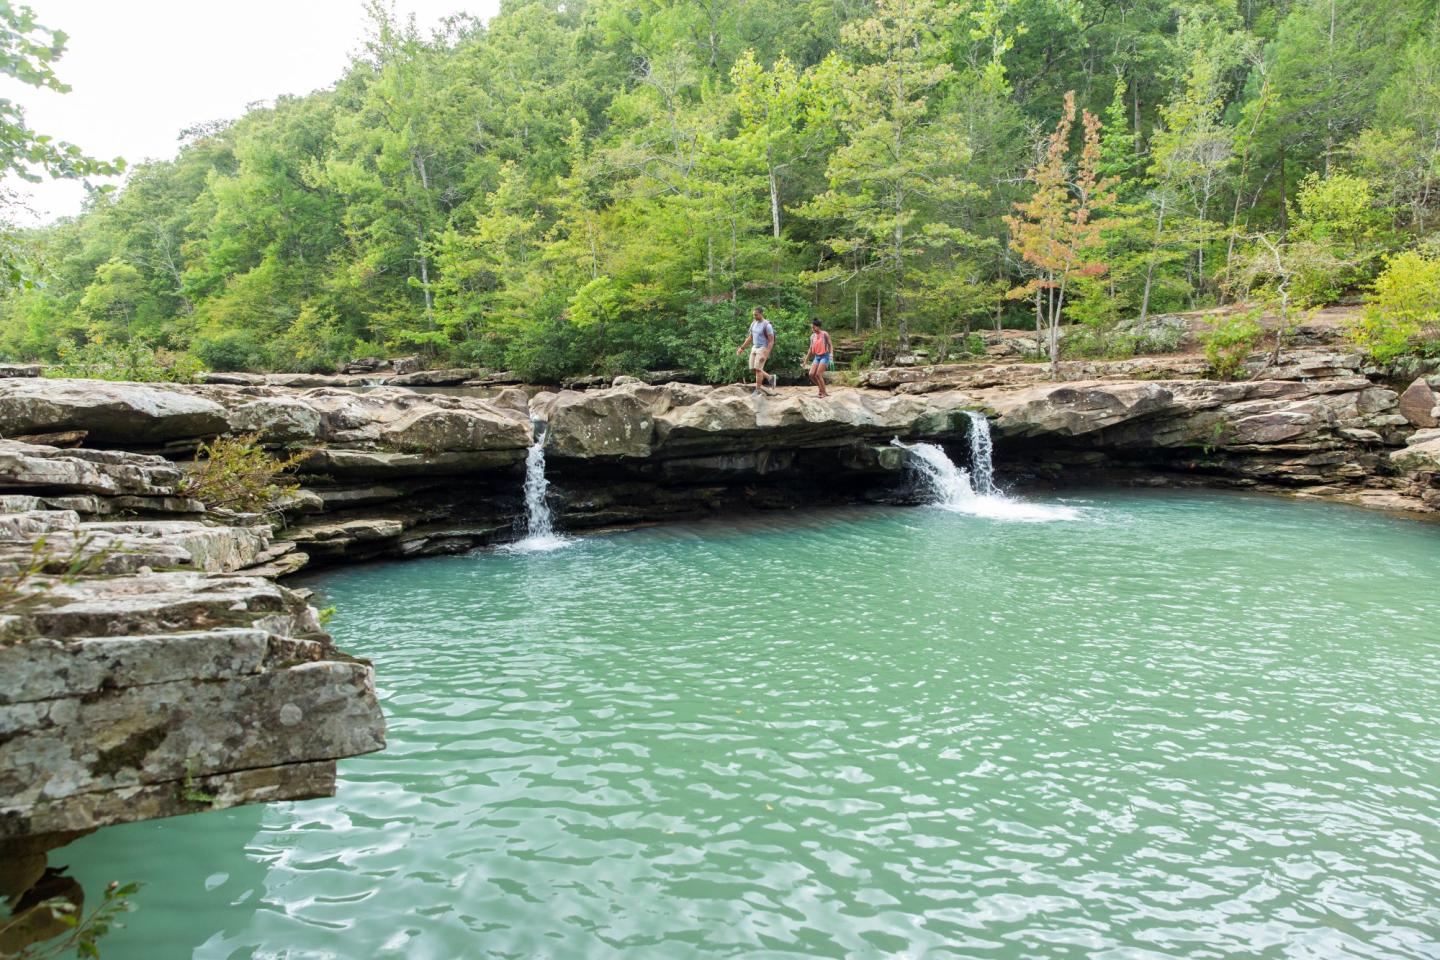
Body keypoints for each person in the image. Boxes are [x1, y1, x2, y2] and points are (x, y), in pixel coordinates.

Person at [735, 306, 777, 395]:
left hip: (763, 348)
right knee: (752, 369)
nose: (754, 316)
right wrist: (741, 348)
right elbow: (750, 337)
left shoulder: (767, 325)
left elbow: (771, 341)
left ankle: (757, 390)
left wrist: (766, 353)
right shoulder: (753, 323)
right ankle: (770, 378)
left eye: (756, 315)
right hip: (754, 347)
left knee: (758, 369)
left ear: (761, 314)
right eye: (753, 315)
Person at [804, 318, 832, 398]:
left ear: (818, 326)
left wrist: (831, 356)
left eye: (814, 327)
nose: (812, 329)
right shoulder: (812, 336)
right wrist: (805, 361)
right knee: (811, 374)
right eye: (812, 328)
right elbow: (810, 349)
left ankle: (824, 392)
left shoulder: (825, 334)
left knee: (818, 374)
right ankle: (820, 388)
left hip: (825, 356)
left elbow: (830, 345)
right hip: (817, 357)